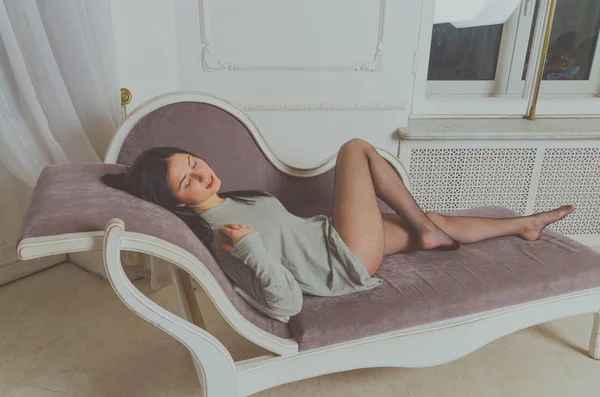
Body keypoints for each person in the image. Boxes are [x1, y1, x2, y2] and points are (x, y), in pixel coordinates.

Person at [101, 139, 574, 323]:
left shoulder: (234, 200)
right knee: (356, 150)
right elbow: (285, 305)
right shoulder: (225, 234)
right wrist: (250, 251)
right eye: (186, 181)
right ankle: (426, 229)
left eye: (193, 161)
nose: (201, 173)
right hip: (343, 259)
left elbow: (288, 232)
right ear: (178, 201)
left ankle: (524, 225)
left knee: (436, 223)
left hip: (332, 239)